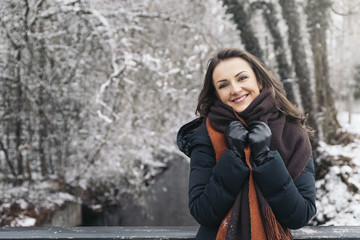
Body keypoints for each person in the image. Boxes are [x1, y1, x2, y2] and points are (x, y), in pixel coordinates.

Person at [177, 48, 316, 240]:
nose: (235, 89)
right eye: (223, 85)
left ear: (258, 80)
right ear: (217, 94)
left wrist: (265, 158)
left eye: (242, 78)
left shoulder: (292, 133)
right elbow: (203, 212)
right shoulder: (205, 136)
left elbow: (300, 215)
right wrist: (233, 156)